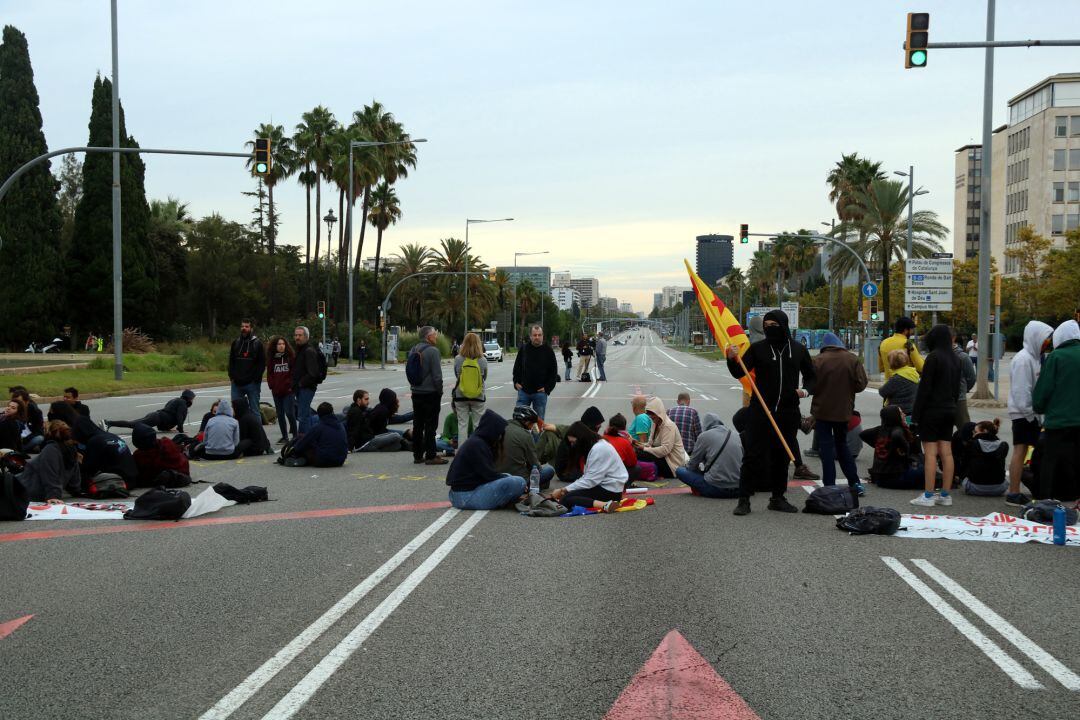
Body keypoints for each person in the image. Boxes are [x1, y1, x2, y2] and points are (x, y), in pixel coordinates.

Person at [726, 309, 814, 516]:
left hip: (788, 412)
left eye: (774, 326)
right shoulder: (757, 349)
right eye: (766, 326)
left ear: (784, 326)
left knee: (782, 456)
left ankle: (778, 497)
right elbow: (740, 372)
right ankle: (744, 499)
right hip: (760, 410)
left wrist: (805, 391)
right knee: (752, 455)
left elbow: (812, 377)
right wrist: (732, 359)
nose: (769, 329)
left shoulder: (799, 350)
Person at [910, 324, 963, 507]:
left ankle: (928, 495)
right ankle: (946, 494)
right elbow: (957, 389)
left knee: (931, 453)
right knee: (946, 452)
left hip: (932, 410)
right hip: (950, 408)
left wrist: (915, 416)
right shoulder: (956, 359)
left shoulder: (933, 357)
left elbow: (924, 389)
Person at [810, 332, 868, 493]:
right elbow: (861, 384)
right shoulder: (852, 359)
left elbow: (811, 386)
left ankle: (829, 484)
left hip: (822, 411)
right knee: (842, 446)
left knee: (826, 448)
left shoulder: (817, 361)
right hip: (843, 411)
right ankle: (854, 482)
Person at [1006, 320, 1054, 506]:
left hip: (1030, 413)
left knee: (1024, 450)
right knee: (1020, 450)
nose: (1047, 343)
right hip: (1023, 413)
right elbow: (1021, 391)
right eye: (1044, 339)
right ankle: (1013, 492)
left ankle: (1017, 490)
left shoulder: (1035, 358)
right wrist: (1030, 414)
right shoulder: (1023, 359)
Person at [1032, 319, 1080, 502]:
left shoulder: (1056, 357)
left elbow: (1044, 389)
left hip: (1058, 420)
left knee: (1049, 460)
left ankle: (1045, 498)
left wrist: (1039, 407)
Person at [445, 410, 527, 510]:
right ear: (492, 430)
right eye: (499, 432)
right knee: (519, 481)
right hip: (465, 497)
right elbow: (489, 475)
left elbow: (488, 474)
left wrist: (507, 477)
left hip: (461, 494)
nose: (500, 436)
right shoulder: (477, 445)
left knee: (510, 477)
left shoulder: (477, 441)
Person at [548, 422, 627, 513]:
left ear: (581, 439)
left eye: (573, 442)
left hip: (610, 491)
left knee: (566, 500)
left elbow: (590, 481)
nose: (572, 446)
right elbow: (588, 478)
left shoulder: (599, 449)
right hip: (608, 487)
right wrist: (565, 491)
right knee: (567, 497)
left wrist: (563, 490)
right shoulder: (596, 446)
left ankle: (604, 505)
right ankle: (605, 504)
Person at [675, 412, 743, 498]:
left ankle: (703, 489)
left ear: (706, 426)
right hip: (739, 488)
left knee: (680, 471)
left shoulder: (704, 436)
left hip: (716, 488)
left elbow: (692, 465)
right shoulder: (736, 435)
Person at [408, 326, 446, 465]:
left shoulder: (414, 349)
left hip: (416, 392)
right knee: (431, 424)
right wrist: (440, 391)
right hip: (430, 393)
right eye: (435, 334)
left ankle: (417, 454)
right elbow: (437, 375)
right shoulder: (433, 351)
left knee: (418, 424)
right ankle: (431, 455)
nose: (436, 336)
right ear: (428, 336)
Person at [859, 406, 922, 489]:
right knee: (926, 471)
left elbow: (863, 434)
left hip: (879, 477)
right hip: (896, 477)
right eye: (900, 413)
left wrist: (878, 445)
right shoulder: (898, 430)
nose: (904, 414)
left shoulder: (880, 430)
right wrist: (906, 447)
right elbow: (898, 437)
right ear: (895, 416)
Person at [18, 420, 81, 502]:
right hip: (32, 486)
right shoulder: (71, 449)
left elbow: (49, 474)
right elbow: (74, 477)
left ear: (50, 433)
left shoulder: (50, 449)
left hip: (29, 490)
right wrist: (76, 490)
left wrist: (53, 495)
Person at [538, 406, 605, 483]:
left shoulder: (579, 431)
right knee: (548, 434)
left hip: (566, 467)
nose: (600, 426)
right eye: (598, 424)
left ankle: (534, 463)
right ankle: (535, 462)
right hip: (566, 470)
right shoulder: (581, 435)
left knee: (549, 434)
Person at [498, 405, 556, 488]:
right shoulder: (526, 435)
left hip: (497, 477)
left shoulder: (499, 427)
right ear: (527, 422)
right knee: (549, 470)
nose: (532, 427)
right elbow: (534, 465)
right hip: (519, 480)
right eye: (532, 424)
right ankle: (532, 487)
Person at [72, 416, 137, 488]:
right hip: (132, 477)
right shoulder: (110, 435)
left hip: (120, 482)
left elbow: (88, 469)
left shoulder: (95, 441)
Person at [632, 397, 688, 479]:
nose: (651, 418)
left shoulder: (668, 426)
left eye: (653, 416)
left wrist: (644, 448)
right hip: (663, 459)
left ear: (659, 413)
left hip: (672, 465)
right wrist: (637, 444)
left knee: (640, 454)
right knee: (636, 451)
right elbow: (650, 444)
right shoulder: (655, 423)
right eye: (650, 415)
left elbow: (665, 450)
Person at [512, 324, 559, 420]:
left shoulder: (548, 351)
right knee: (519, 421)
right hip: (524, 392)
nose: (537, 337)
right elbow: (517, 367)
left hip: (540, 393)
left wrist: (547, 388)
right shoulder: (524, 349)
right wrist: (516, 382)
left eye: (539, 335)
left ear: (543, 336)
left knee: (538, 423)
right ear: (530, 336)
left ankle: (536, 436)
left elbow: (553, 372)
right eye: (534, 335)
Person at [953, 419, 1009, 496]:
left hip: (974, 488)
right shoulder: (1003, 445)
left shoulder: (972, 444)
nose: (973, 435)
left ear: (985, 431)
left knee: (966, 476)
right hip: (999, 489)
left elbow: (965, 466)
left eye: (975, 432)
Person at [452, 333, 488, 446]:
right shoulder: (482, 360)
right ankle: (478, 450)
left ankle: (462, 453)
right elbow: (484, 378)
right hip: (478, 396)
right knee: (478, 425)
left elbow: (457, 375)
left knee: (462, 425)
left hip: (461, 395)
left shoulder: (458, 359)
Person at [106, 390, 195, 434]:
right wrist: (181, 430)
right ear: (188, 398)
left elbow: (169, 414)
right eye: (192, 399)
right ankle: (108, 423)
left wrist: (166, 428)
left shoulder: (176, 400)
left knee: (133, 424)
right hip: (156, 418)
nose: (192, 401)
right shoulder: (182, 403)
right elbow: (179, 417)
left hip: (156, 416)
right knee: (132, 424)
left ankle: (109, 423)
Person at [130, 422, 190, 487]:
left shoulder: (140, 456)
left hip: (174, 475)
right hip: (183, 472)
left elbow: (142, 477)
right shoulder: (166, 442)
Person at [288, 403, 348, 467]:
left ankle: (299, 458)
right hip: (341, 460)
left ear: (319, 415)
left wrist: (294, 449)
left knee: (305, 440)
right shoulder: (340, 425)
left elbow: (305, 441)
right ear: (332, 412)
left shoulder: (319, 427)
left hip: (324, 461)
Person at [228, 319, 266, 415]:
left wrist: (256, 379)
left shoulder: (257, 343)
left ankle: (256, 430)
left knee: (255, 411)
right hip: (236, 384)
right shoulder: (236, 343)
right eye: (242, 326)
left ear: (251, 328)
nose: (244, 328)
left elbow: (262, 363)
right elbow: (231, 361)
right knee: (236, 411)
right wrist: (232, 377)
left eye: (246, 326)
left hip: (252, 384)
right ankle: (238, 430)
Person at [266, 335, 298, 444]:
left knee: (289, 413)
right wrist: (272, 385)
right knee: (280, 414)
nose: (281, 346)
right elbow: (269, 373)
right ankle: (284, 436)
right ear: (275, 346)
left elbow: (294, 373)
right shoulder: (272, 359)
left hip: (288, 391)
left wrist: (291, 385)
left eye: (283, 344)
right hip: (276, 390)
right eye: (279, 344)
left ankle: (295, 434)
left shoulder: (290, 357)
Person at [292, 326, 323, 434]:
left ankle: (303, 438)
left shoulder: (309, 351)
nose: (297, 338)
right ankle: (311, 435)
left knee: (303, 415)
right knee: (304, 414)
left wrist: (300, 384)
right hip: (300, 388)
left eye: (300, 335)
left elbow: (312, 373)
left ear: (306, 337)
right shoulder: (299, 350)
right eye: (296, 335)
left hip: (306, 388)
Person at [878, 349, 919, 418]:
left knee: (893, 428)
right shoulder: (914, 374)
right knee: (908, 427)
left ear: (891, 363)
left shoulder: (896, 378)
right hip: (912, 411)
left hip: (898, 413)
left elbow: (883, 392)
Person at [951, 329, 977, 428]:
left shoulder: (963, 357)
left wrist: (963, 389)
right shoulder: (936, 355)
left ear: (953, 339)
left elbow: (971, 378)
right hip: (942, 399)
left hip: (959, 399)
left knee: (964, 429)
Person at [9, 388, 44, 452]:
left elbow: (39, 431)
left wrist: (26, 439)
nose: (17, 404)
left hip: (28, 437)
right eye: (15, 402)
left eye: (20, 402)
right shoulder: (11, 410)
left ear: (26, 402)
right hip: (15, 438)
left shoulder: (35, 412)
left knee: (39, 438)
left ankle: (18, 450)